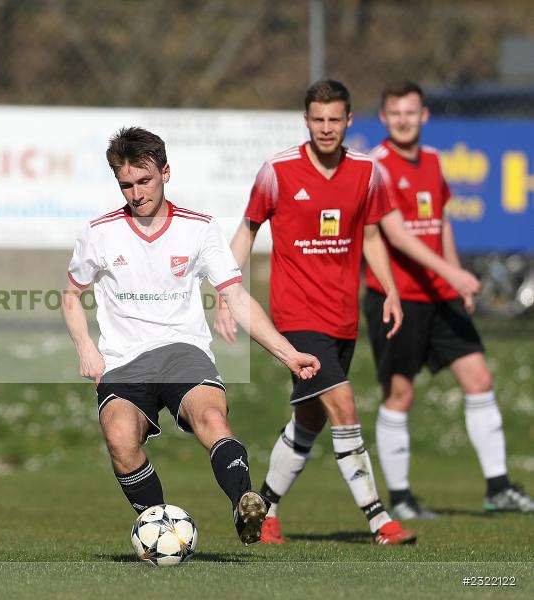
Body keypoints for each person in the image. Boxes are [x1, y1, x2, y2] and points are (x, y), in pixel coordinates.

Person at [61, 126, 321, 546]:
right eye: (126, 185)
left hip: (184, 351)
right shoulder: (100, 232)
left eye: (144, 180)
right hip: (124, 359)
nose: (136, 193)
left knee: (212, 420)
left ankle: (244, 505)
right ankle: (162, 532)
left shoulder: (199, 228)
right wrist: (85, 347)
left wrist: (288, 354)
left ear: (165, 172)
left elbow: (236, 298)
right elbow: (71, 297)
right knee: (120, 439)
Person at [215, 79, 423, 545]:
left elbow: (372, 236)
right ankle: (380, 521)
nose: (326, 128)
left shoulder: (367, 172)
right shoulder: (277, 171)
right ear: (305, 120)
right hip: (296, 318)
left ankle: (263, 510)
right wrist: (227, 293)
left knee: (310, 420)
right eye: (318, 119)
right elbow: (247, 230)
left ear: (348, 121)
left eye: (335, 120)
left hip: (343, 319)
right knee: (344, 405)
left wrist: (391, 290)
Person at [367, 81, 534, 517]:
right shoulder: (378, 166)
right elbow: (397, 235)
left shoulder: (433, 159)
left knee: (479, 379)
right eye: (395, 113)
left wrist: (455, 280)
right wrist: (453, 272)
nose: (403, 120)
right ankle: (401, 498)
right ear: (384, 118)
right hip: (398, 297)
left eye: (411, 112)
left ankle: (499, 488)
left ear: (424, 116)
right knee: (400, 394)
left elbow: (440, 223)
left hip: (440, 295)